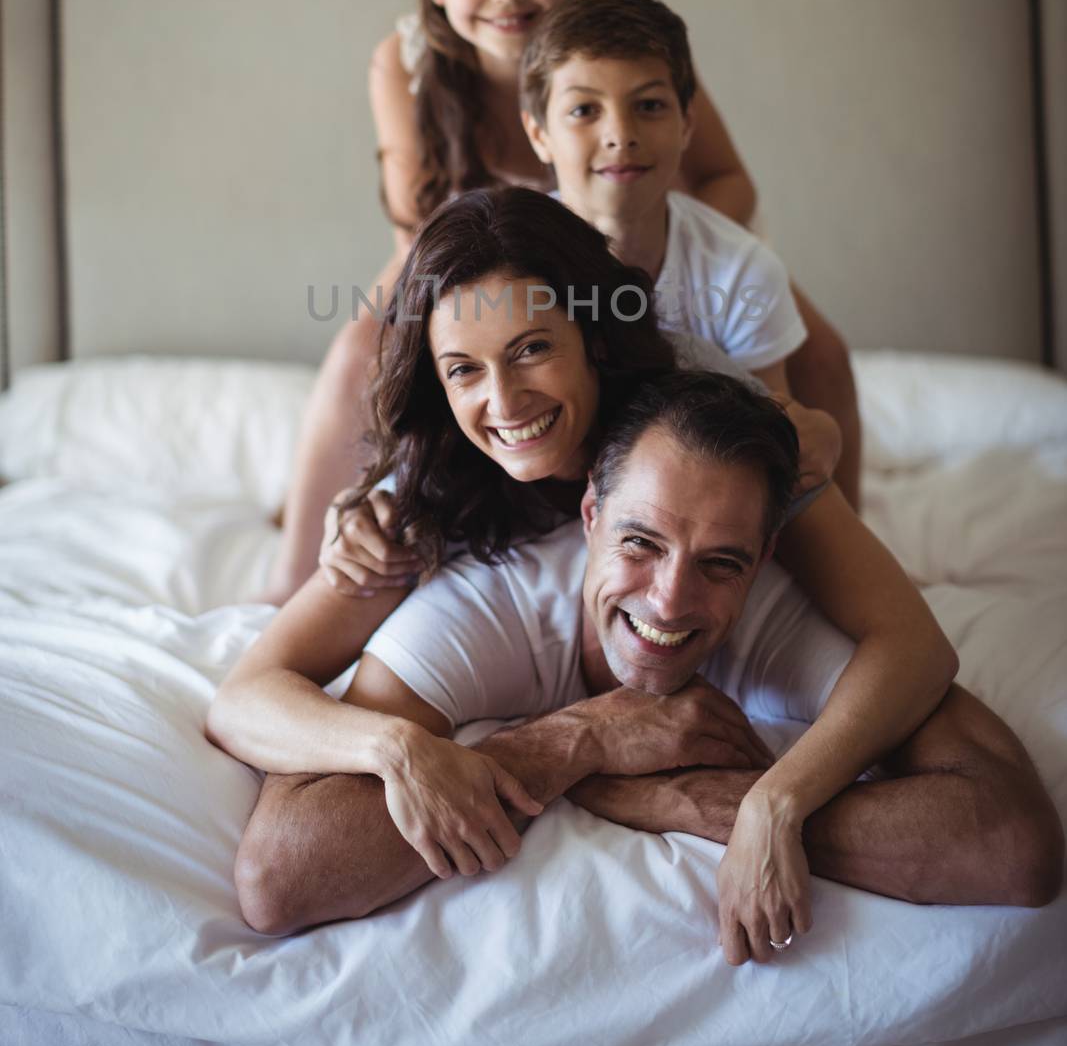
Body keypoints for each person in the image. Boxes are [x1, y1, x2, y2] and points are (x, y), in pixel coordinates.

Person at [209, 190, 959, 952]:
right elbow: (245, 698)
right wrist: (395, 749)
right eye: (463, 368)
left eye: (532, 347)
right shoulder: (427, 491)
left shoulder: (702, 437)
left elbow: (912, 642)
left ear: (593, 337)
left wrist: (775, 803)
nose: (503, 401)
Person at [230, 372, 1063, 958]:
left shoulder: (777, 606)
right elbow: (279, 878)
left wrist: (718, 806)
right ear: (589, 514)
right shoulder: (491, 603)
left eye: (719, 563)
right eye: (638, 543)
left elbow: (1016, 846)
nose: (669, 602)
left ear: (765, 553)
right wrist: (575, 741)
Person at [264, 0, 860, 601]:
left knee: (822, 352)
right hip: (476, 254)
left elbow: (724, 174)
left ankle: (849, 541)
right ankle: (300, 564)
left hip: (650, 228)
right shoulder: (406, 63)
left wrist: (659, 257)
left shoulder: (622, 43)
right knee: (360, 348)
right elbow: (416, 225)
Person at [518, 0, 806, 395]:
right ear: (539, 133)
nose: (620, 135)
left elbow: (772, 436)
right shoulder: (509, 265)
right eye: (584, 110)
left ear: (687, 123)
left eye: (649, 105)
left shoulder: (741, 271)